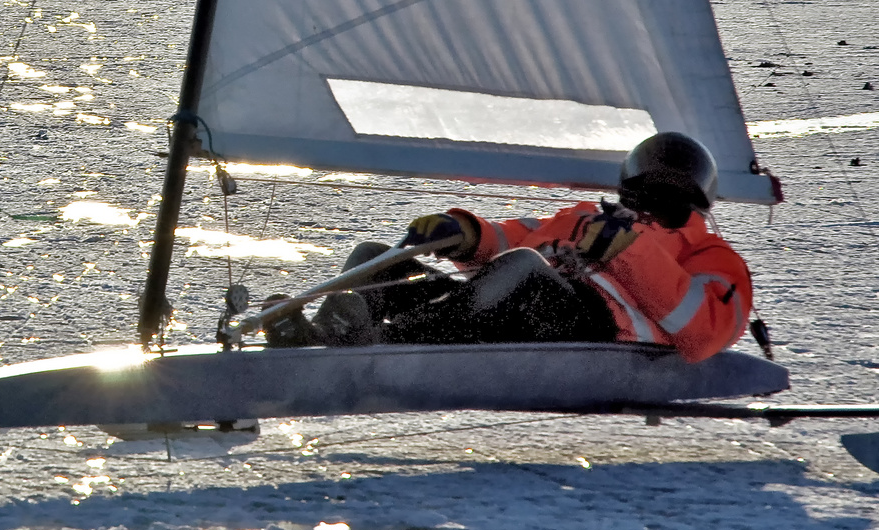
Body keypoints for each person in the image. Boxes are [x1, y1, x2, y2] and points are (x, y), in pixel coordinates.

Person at [263, 132, 753, 363]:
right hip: (502, 307)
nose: (654, 194)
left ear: (693, 196)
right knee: (374, 257)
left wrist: (628, 253)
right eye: (649, 182)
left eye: (670, 186)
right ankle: (322, 341)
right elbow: (509, 238)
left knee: (519, 269)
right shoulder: (584, 218)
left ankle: (377, 346)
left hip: (594, 329)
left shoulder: (712, 258)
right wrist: (462, 231)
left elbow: (704, 334)